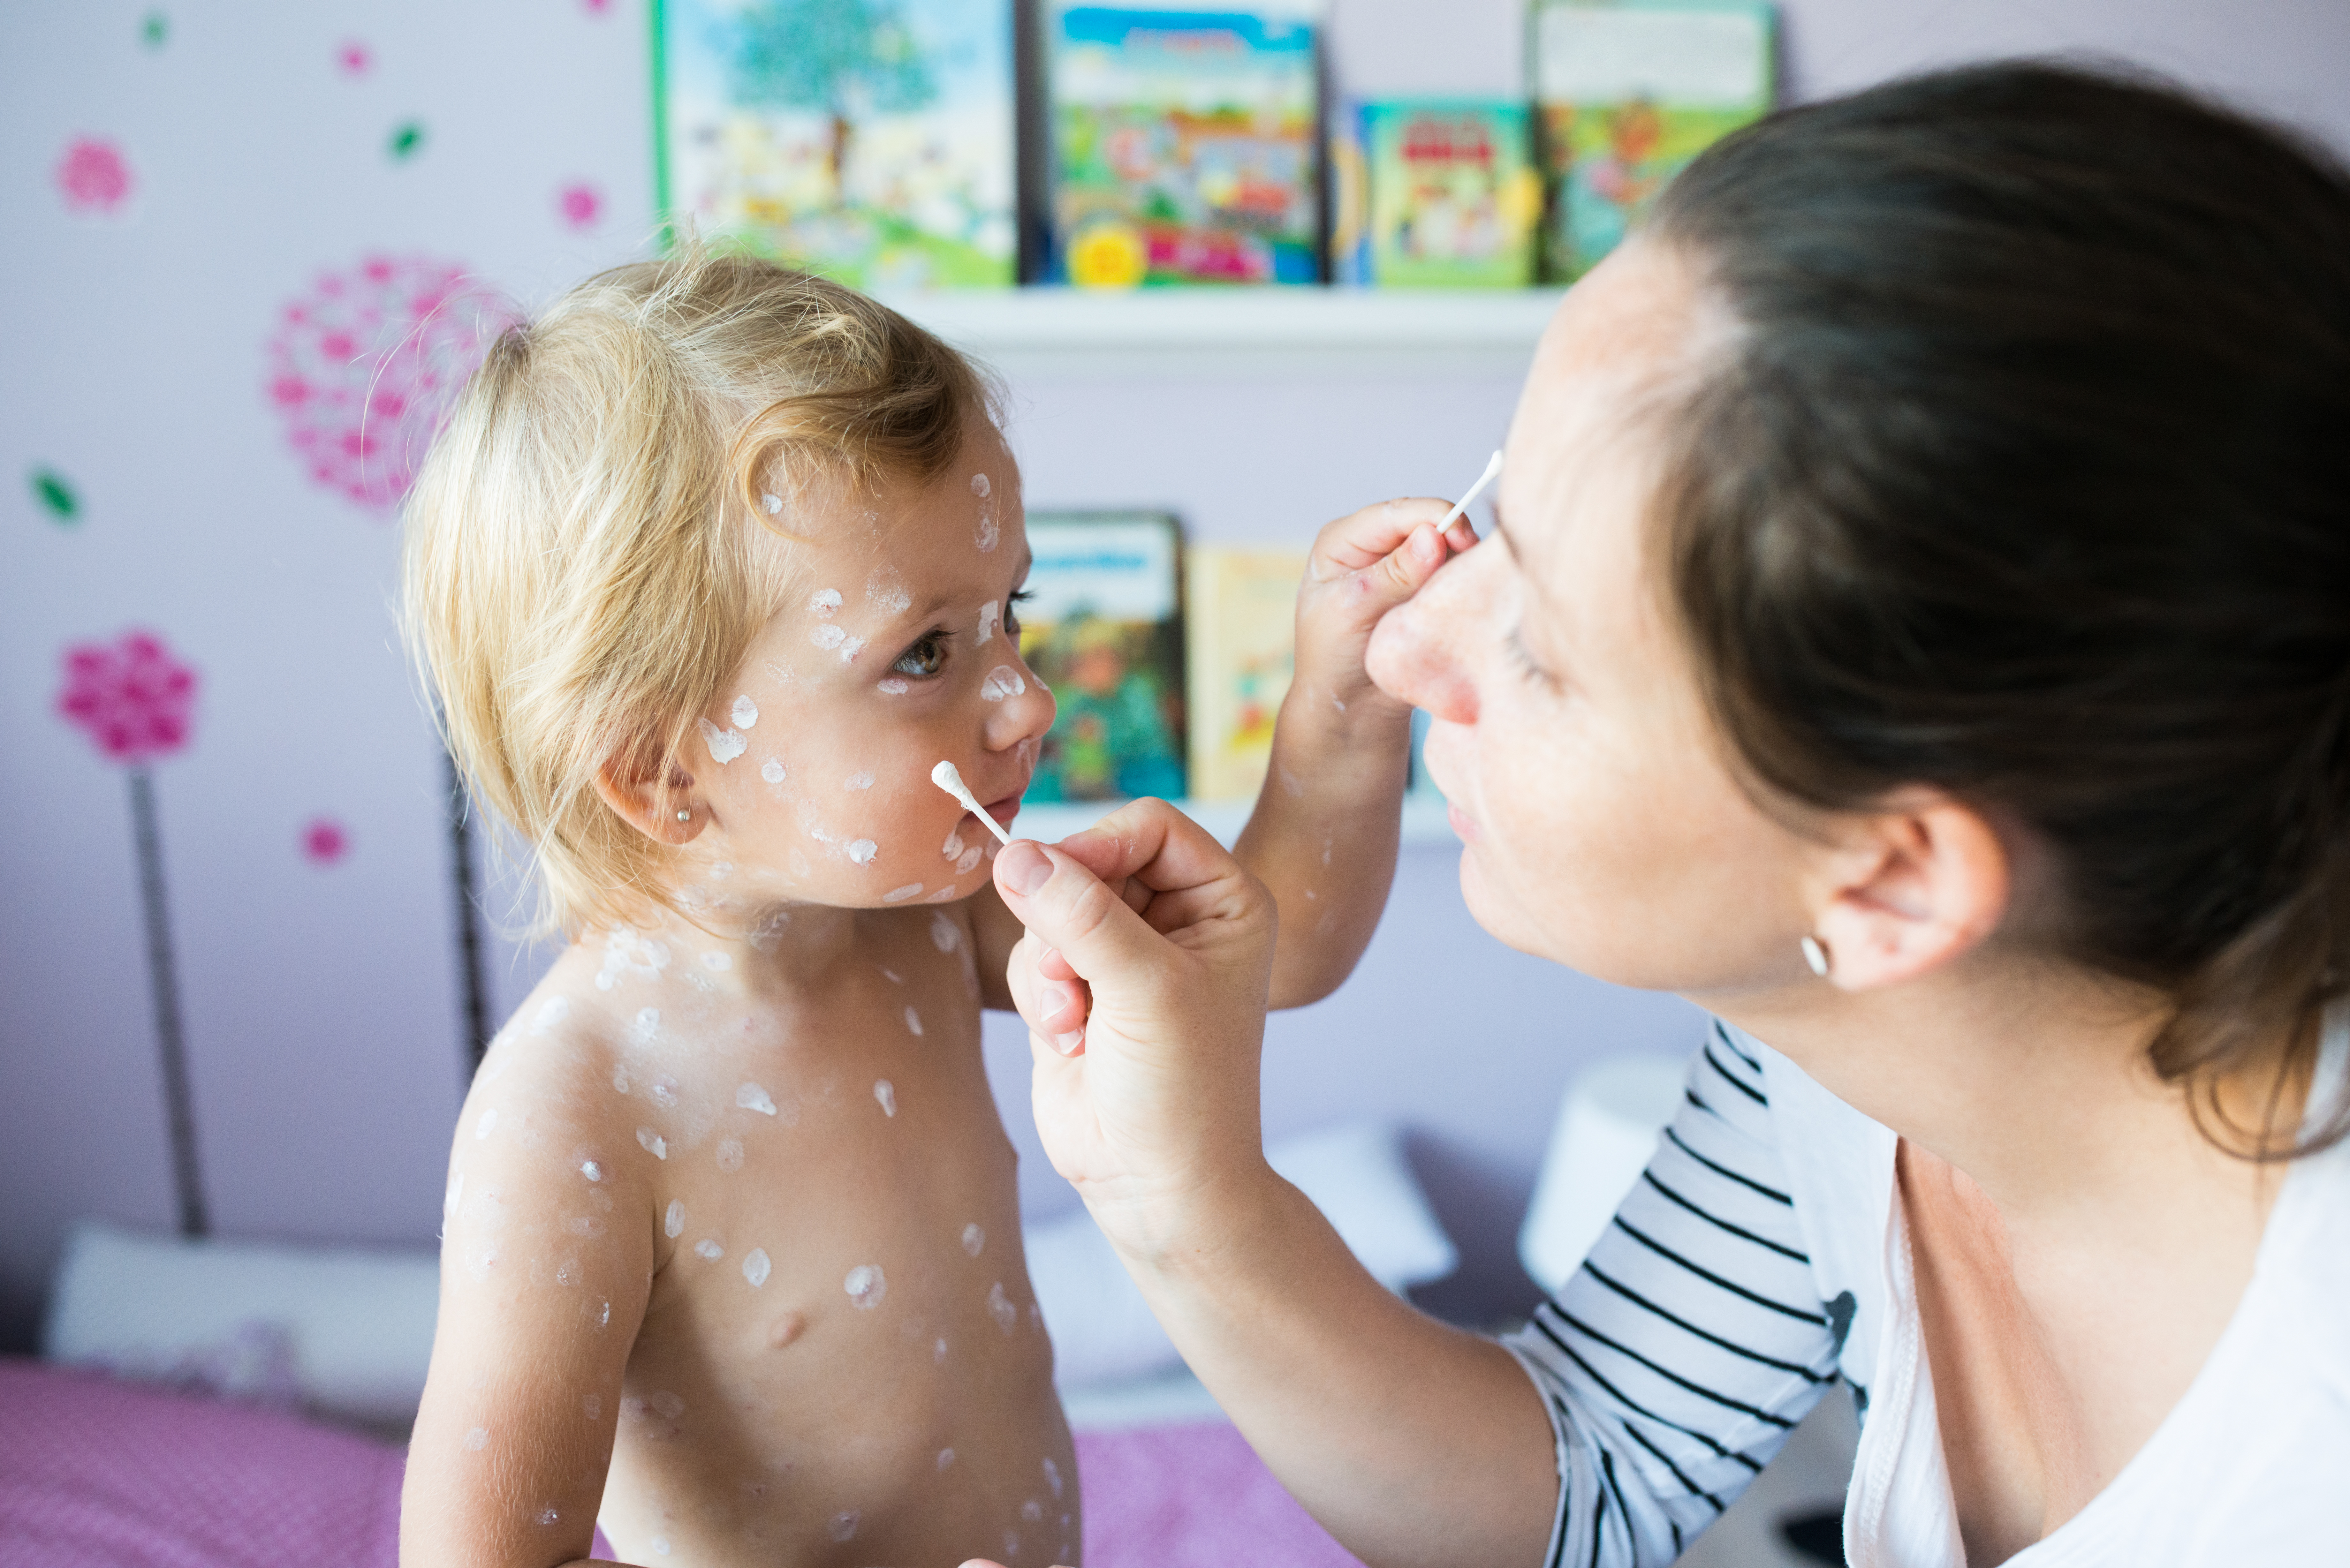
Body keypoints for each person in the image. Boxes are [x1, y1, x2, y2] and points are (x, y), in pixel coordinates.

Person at [978, 64, 2350, 1568]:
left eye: (1543, 650)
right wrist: (1180, 1194)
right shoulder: (1830, 1054)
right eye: (1487, 518)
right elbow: (1591, 1471)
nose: (1399, 648)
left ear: (1892, 883)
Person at [394, 251, 1459, 1567]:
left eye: (1009, 614)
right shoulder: (576, 1116)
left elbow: (1270, 953)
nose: (1025, 702)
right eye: (924, 652)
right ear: (664, 774)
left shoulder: (922, 921)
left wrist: (1344, 704)